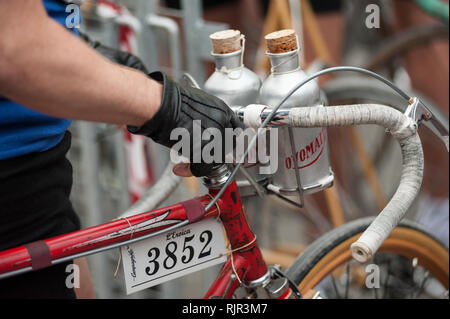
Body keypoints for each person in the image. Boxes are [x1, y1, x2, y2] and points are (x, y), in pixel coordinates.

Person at [0, 0, 243, 299]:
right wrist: (170, 108)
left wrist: (81, 50)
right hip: (13, 187)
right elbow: (15, 51)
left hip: (39, 176)